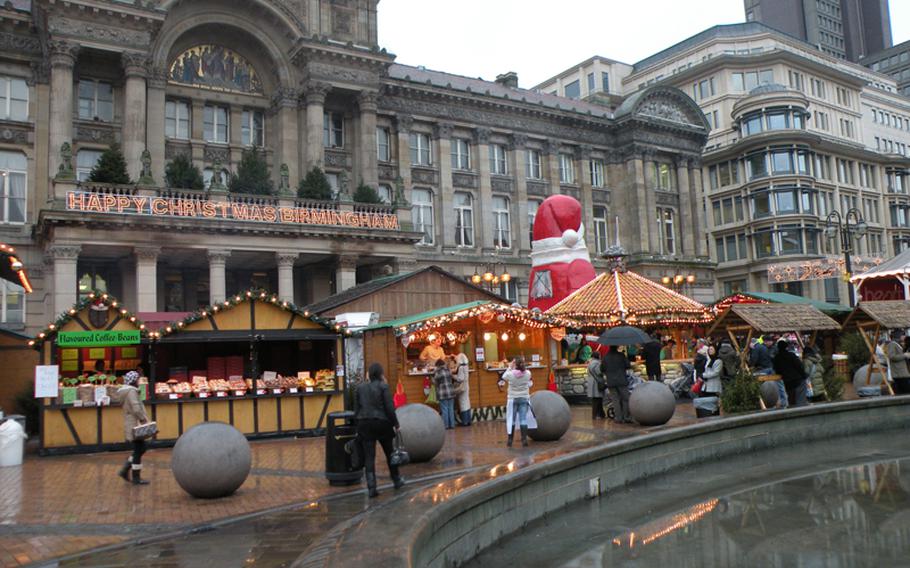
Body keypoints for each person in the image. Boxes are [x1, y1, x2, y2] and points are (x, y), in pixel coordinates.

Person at [354, 363, 404, 498]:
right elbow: (389, 407)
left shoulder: (360, 388)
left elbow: (357, 409)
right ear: (380, 373)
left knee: (369, 457)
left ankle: (371, 487)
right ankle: (396, 479)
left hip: (365, 424)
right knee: (390, 453)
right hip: (382, 423)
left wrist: (357, 424)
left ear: (369, 373)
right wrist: (396, 423)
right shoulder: (383, 386)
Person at [115, 371, 151, 485]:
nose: (138, 382)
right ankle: (135, 477)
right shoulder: (131, 392)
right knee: (139, 449)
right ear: (133, 381)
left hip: (131, 423)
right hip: (135, 424)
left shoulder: (126, 391)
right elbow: (136, 407)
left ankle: (126, 470)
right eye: (137, 380)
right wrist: (143, 419)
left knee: (140, 449)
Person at [500, 356, 532, 447]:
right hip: (524, 398)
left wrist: (510, 366)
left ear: (515, 364)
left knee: (511, 419)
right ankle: (524, 439)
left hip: (512, 399)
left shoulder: (510, 374)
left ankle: (510, 440)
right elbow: (529, 382)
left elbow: (503, 376)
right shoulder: (528, 373)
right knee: (523, 419)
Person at [773, 340, 809, 407]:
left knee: (791, 399)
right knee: (800, 399)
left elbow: (777, 370)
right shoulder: (791, 355)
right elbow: (799, 366)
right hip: (798, 379)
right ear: (786, 347)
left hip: (787, 381)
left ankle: (792, 411)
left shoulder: (777, 358)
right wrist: (804, 375)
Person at [603, 346, 632, 423]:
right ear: (616, 347)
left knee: (615, 400)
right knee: (626, 399)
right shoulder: (621, 355)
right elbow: (628, 365)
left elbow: (602, 369)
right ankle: (626, 417)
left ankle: (618, 418)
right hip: (622, 380)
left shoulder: (605, 357)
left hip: (611, 382)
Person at [433, 359, 457, 429]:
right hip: (451, 392)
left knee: (444, 409)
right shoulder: (449, 370)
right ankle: (452, 425)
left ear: (437, 365)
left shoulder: (438, 372)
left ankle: (446, 425)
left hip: (443, 393)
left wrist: (432, 379)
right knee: (451, 408)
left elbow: (435, 382)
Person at [453, 348, 472, 426]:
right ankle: (468, 420)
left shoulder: (461, 367)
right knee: (467, 403)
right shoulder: (466, 366)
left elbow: (460, 378)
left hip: (462, 387)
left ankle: (464, 421)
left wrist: (453, 376)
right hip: (466, 386)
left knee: (462, 403)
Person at [586, 351, 607, 420]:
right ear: (598, 356)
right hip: (597, 383)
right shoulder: (597, 363)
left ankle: (601, 414)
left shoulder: (590, 363)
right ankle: (594, 415)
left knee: (596, 399)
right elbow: (599, 372)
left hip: (592, 383)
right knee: (597, 399)